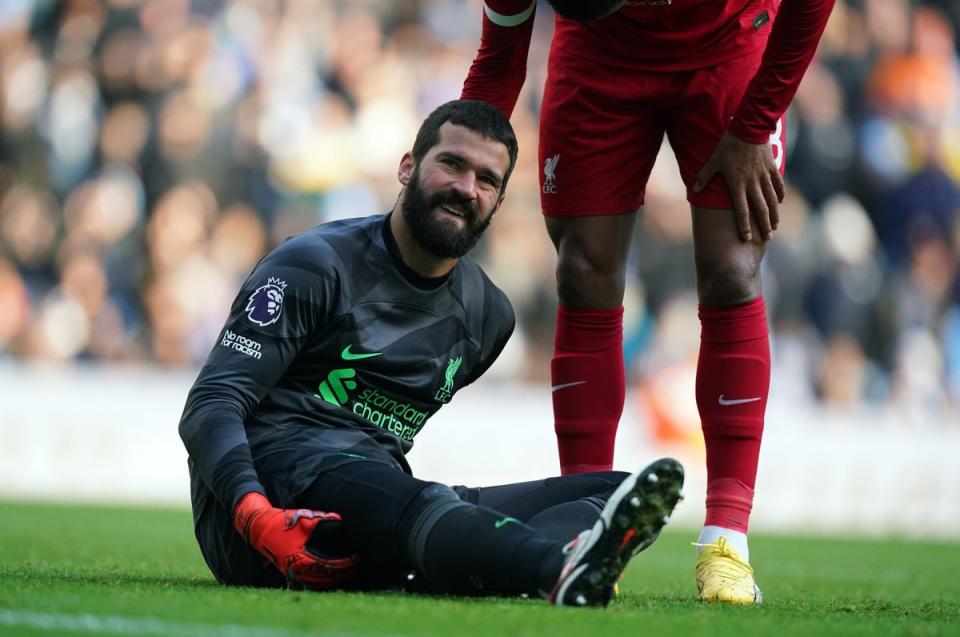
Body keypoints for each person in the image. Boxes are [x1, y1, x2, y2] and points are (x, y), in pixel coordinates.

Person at [178, 99, 684, 607]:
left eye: (487, 180)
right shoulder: (314, 266)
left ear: (498, 202)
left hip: (384, 494)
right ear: (407, 167)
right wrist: (253, 514)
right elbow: (212, 403)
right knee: (426, 503)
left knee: (623, 492)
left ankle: (460, 559)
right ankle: (557, 571)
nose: (467, 188)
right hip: (271, 505)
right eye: (452, 164)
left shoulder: (488, 316)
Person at [460, 0, 836, 604]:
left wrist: (754, 124)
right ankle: (583, 529)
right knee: (582, 272)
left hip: (729, 41)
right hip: (598, 59)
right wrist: (456, 174)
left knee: (732, 267)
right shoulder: (579, 15)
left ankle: (726, 540)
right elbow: (499, 65)